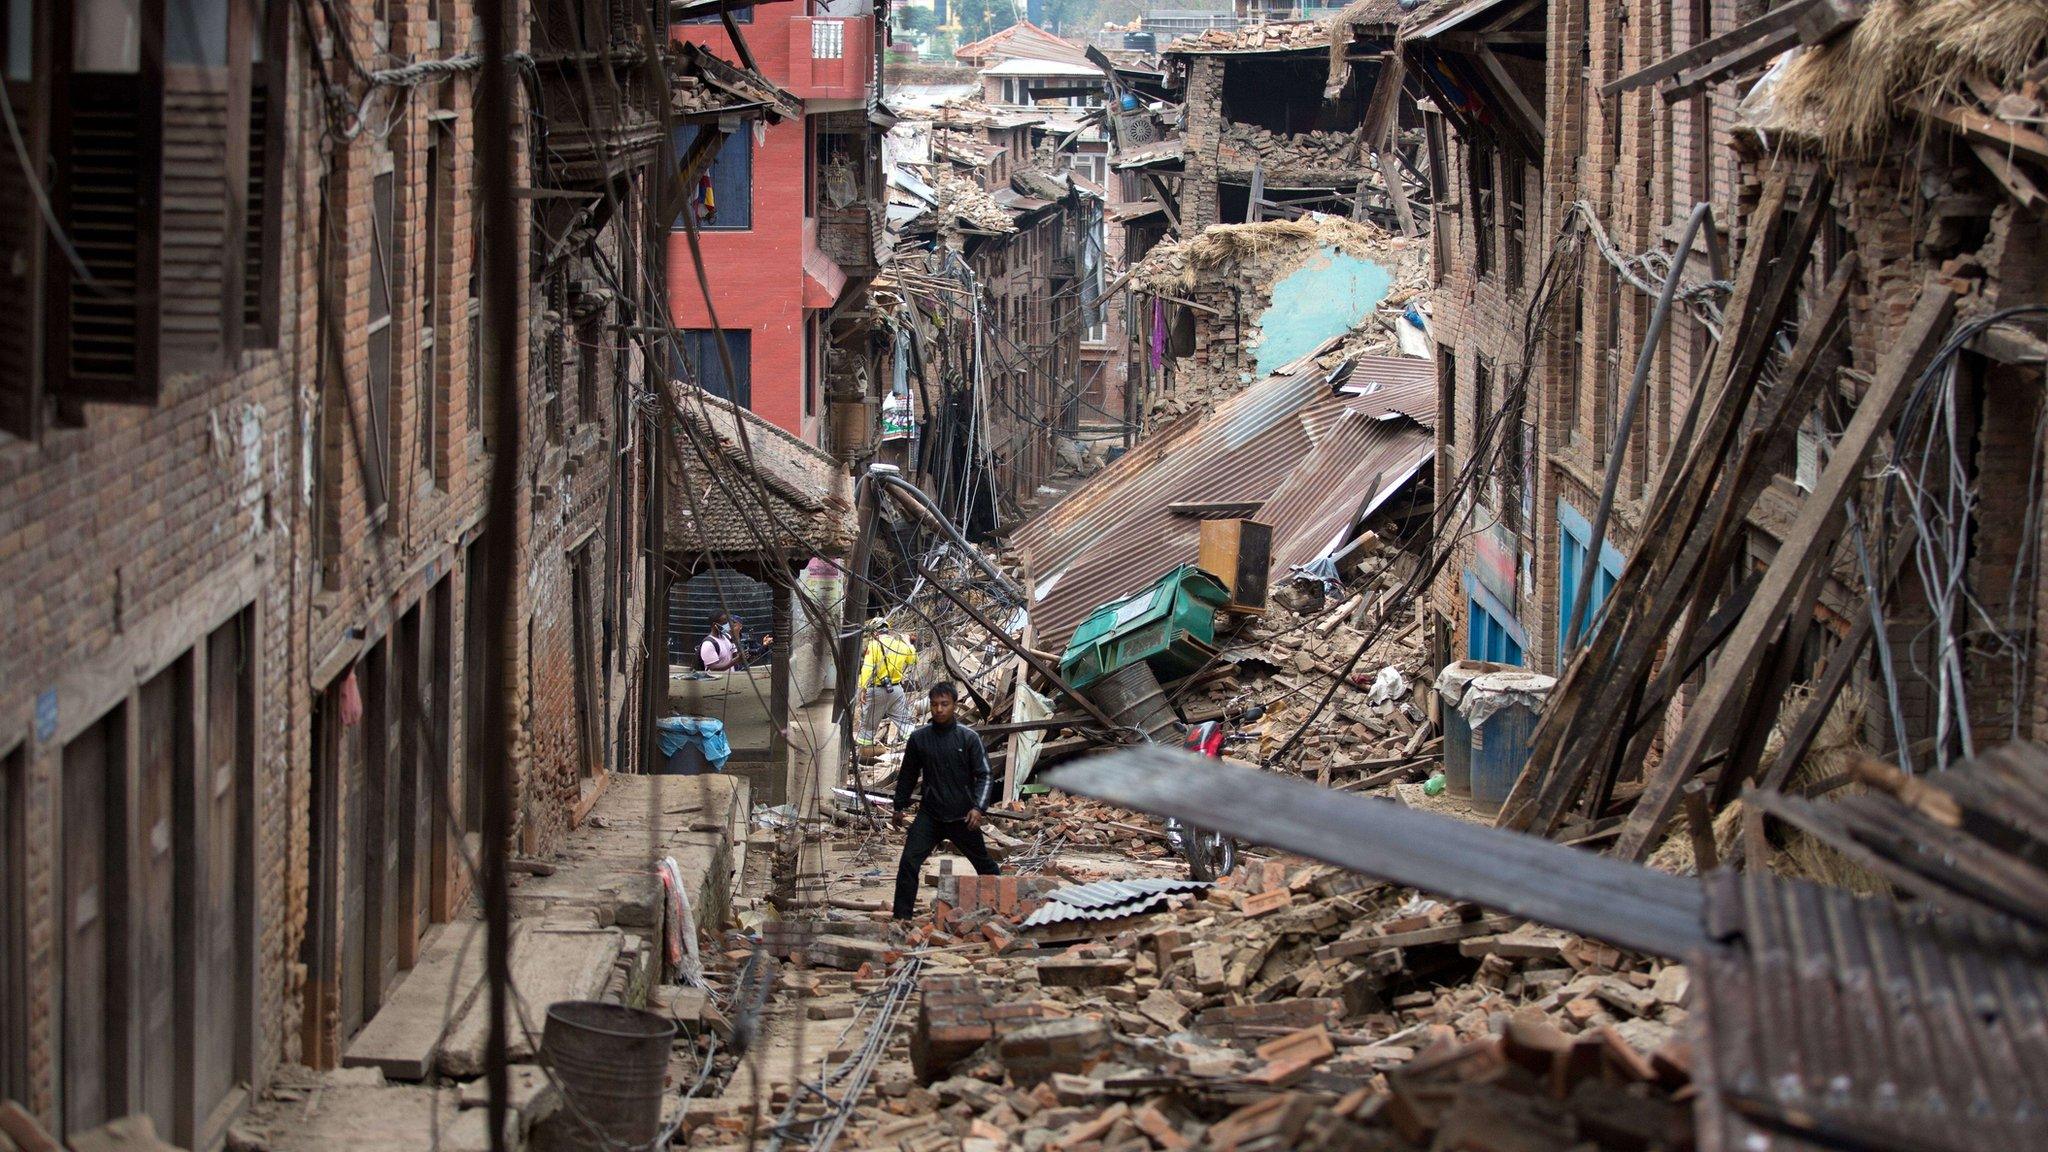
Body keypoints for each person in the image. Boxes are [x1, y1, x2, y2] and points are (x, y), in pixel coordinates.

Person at [890, 682, 1001, 921]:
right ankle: (901, 919)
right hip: (930, 815)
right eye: (934, 705)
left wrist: (978, 808)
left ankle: (1001, 911)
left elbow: (985, 774)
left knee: (985, 865)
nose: (939, 709)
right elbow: (908, 775)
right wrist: (899, 806)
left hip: (963, 817)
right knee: (909, 862)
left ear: (955, 705)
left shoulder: (968, 738)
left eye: (944, 704)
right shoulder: (919, 739)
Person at [856, 617, 917, 746]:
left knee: (868, 728)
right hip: (896, 690)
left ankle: (863, 753)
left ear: (874, 632)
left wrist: (863, 688)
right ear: (887, 630)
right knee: (906, 724)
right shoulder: (900, 645)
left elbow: (867, 668)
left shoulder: (874, 645)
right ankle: (916, 747)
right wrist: (909, 644)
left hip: (876, 691)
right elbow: (913, 660)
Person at [699, 612, 770, 672]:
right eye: (725, 622)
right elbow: (713, 668)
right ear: (715, 624)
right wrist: (737, 659)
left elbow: (738, 658)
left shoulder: (729, 639)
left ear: (741, 626)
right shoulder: (709, 644)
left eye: (728, 622)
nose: (729, 625)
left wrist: (743, 658)